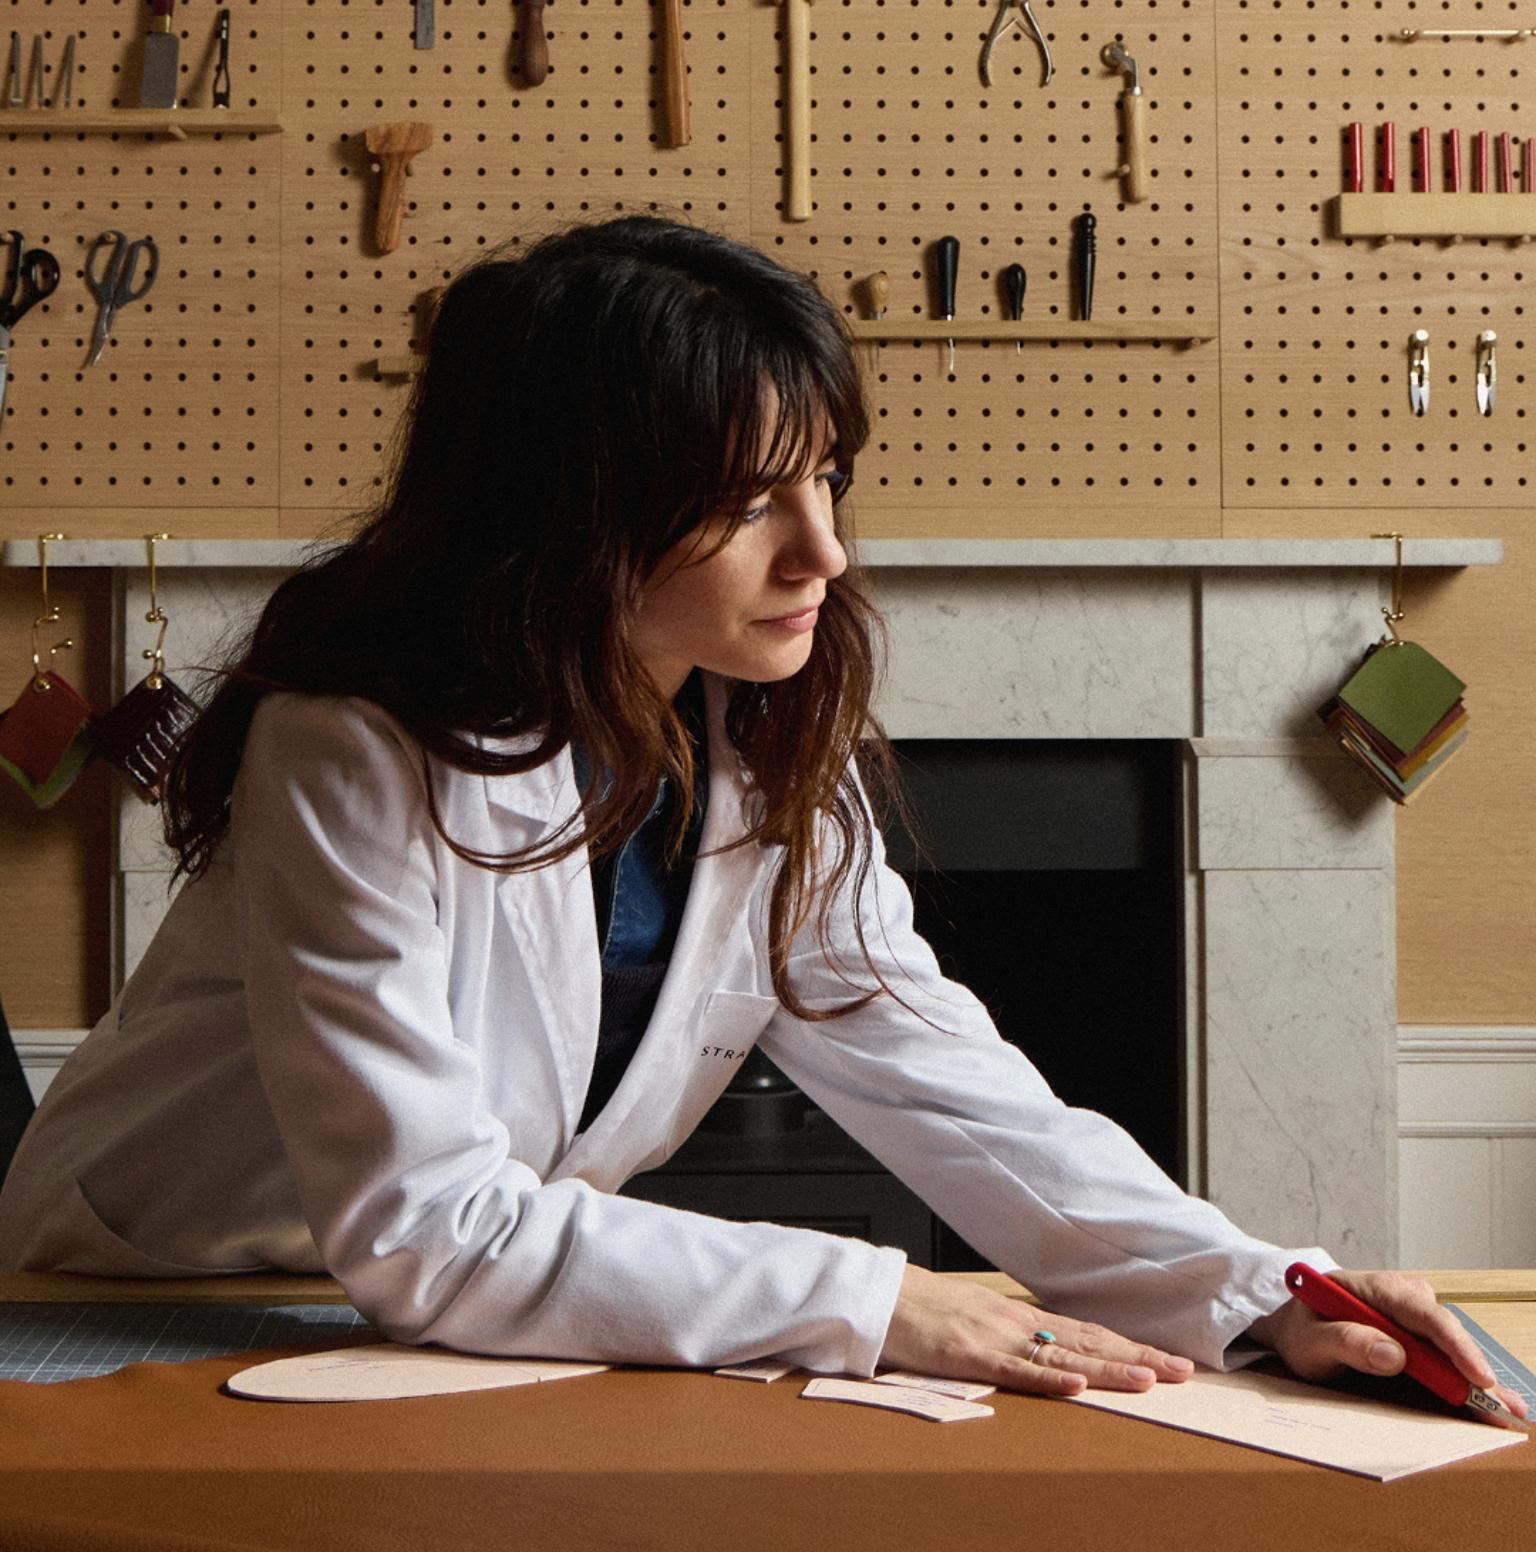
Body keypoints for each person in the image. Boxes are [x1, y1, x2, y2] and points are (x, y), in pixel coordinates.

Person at [0, 215, 1521, 1414]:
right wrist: (883, 1301)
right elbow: (428, 1227)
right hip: (147, 1310)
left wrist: (1263, 1289)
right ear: (567, 508)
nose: (826, 553)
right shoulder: (348, 754)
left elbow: (957, 1093)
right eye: (748, 503)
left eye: (829, 482)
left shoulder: (761, 737)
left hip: (435, 1323)